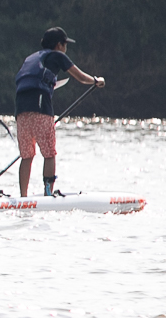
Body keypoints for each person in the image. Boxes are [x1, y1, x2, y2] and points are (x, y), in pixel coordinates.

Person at [14, 27, 103, 197]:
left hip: (20, 110)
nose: (65, 48)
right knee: (49, 153)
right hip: (41, 109)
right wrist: (96, 81)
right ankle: (48, 193)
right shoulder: (58, 56)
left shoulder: (31, 58)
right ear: (59, 45)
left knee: (26, 156)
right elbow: (81, 77)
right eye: (65, 44)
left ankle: (23, 196)